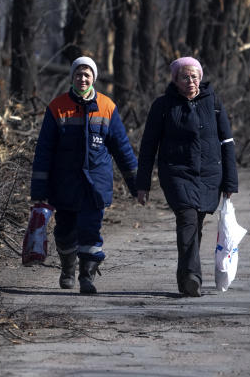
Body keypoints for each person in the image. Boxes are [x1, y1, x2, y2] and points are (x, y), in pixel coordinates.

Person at [31, 56, 139, 294]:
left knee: (91, 230)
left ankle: (86, 276)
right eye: (78, 74)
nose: (82, 78)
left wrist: (136, 184)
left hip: (95, 186)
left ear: (94, 78)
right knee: (64, 231)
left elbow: (122, 148)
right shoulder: (57, 107)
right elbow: (44, 150)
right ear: (72, 77)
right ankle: (68, 269)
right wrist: (39, 191)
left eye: (87, 74)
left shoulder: (107, 107)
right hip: (65, 184)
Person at [135, 56, 239, 297]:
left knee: (195, 224)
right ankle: (193, 276)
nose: (190, 81)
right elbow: (148, 146)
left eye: (194, 76)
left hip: (209, 175)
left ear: (200, 78)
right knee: (188, 218)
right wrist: (142, 184)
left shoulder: (213, 101)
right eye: (185, 76)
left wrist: (230, 181)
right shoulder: (163, 106)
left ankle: (186, 278)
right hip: (177, 174)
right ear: (175, 80)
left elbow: (227, 141)